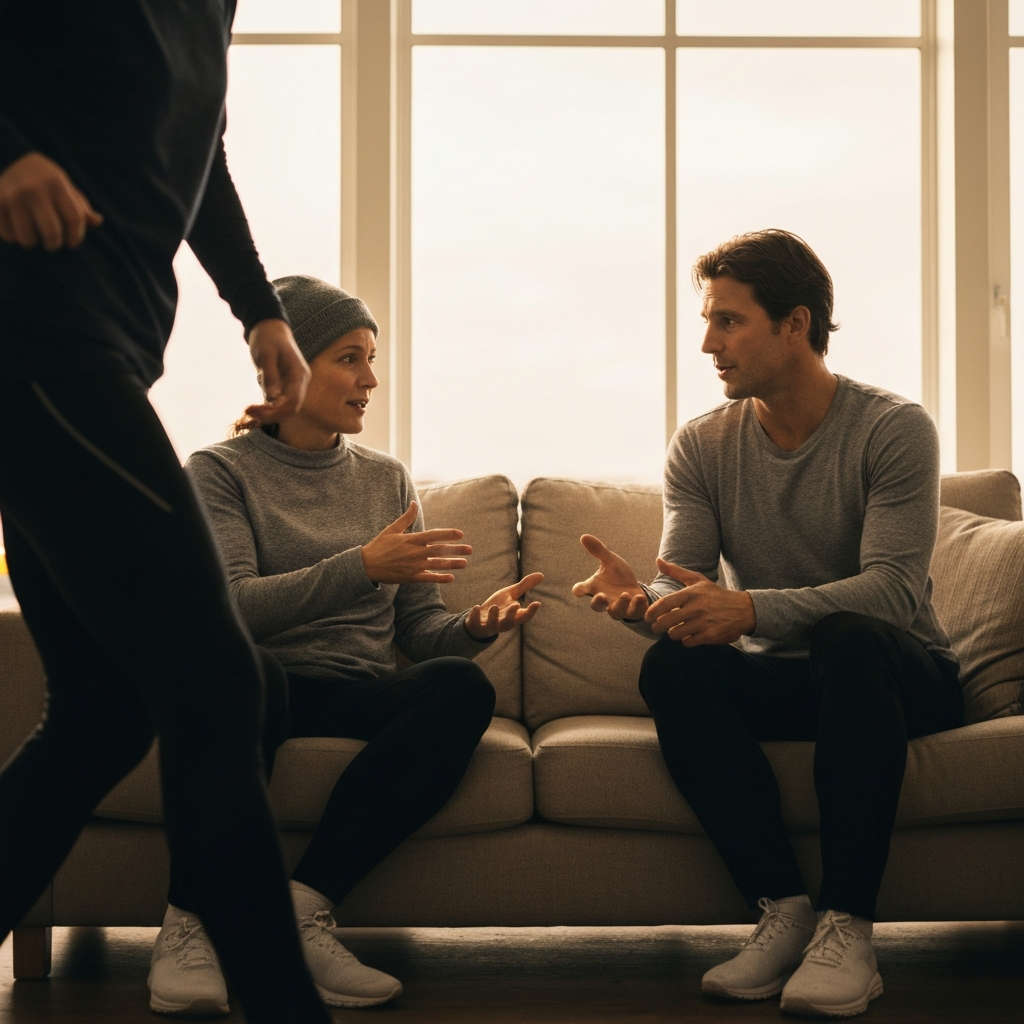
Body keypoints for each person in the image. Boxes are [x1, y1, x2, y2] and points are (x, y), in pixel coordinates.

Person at [0, 5, 332, 1022]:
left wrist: (260, 306)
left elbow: (200, 153)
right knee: (221, 683)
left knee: (104, 712)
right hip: (35, 329)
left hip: (91, 346)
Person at [573, 230, 964, 1018]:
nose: (709, 345)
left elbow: (890, 592)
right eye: (709, 321)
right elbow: (683, 578)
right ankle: (783, 911)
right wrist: (647, 604)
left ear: (796, 324)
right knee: (672, 667)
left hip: (894, 675)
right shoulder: (702, 445)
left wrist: (748, 608)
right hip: (788, 676)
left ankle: (848, 926)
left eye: (729, 322)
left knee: (846, 636)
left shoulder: (892, 428)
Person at [145, 274, 544, 1012]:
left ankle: (304, 907)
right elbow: (228, 610)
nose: (370, 379)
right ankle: (192, 922)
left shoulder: (387, 479)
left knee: (461, 687)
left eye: (371, 358)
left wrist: (472, 629)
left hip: (354, 688)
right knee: (240, 671)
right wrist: (359, 567)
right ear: (289, 367)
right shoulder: (219, 472)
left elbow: (419, 632)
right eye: (351, 358)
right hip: (262, 685)